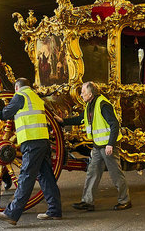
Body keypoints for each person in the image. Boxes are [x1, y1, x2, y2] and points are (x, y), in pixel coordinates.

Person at [0, 78, 62, 225]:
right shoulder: (35, 97)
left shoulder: (21, 96)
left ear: (16, 87)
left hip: (31, 141)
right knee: (46, 177)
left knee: (26, 177)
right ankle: (55, 210)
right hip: (43, 140)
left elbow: (7, 113)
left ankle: (12, 214)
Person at [56, 81, 131, 211]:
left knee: (116, 174)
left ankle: (125, 200)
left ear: (90, 94)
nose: (81, 94)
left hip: (108, 146)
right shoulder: (90, 105)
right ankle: (87, 202)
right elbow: (81, 119)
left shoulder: (103, 105)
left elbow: (114, 125)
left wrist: (110, 144)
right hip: (98, 146)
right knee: (92, 173)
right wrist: (63, 122)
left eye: (83, 92)